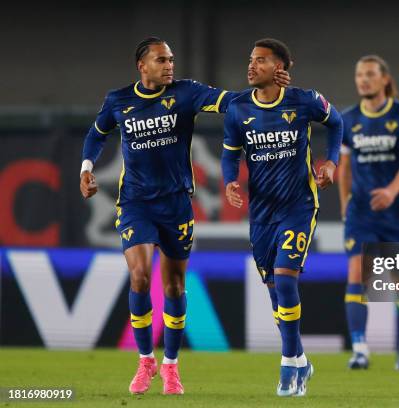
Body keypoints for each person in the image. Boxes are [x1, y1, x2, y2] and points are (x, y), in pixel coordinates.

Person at [79, 36, 290, 395]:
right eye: (161, 60)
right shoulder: (119, 100)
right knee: (141, 277)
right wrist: (86, 167)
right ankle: (146, 360)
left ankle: (172, 367)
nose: (169, 66)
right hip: (136, 204)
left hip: (176, 204)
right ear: (142, 66)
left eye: (172, 59)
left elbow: (230, 100)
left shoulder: (187, 93)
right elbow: (96, 134)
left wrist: (269, 85)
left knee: (175, 285)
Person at [221, 38, 342, 397]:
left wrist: (331, 161)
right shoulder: (238, 108)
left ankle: (289, 365)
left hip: (299, 206)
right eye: (251, 59)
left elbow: (335, 124)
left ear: (280, 68)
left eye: (260, 60)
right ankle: (302, 359)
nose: (251, 66)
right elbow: (230, 153)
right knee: (275, 292)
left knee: (286, 280)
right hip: (262, 213)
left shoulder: (304, 100)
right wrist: (229, 181)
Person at [338, 55, 399, 371]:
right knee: (357, 274)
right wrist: (346, 201)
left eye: (370, 74)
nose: (363, 80)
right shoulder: (348, 120)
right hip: (361, 212)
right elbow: (344, 166)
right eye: (359, 74)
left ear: (384, 79)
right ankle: (360, 348)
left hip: (397, 212)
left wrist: (391, 191)